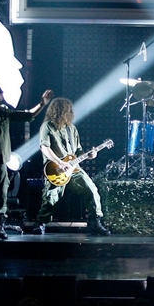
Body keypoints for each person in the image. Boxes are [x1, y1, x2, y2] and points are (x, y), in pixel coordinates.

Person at [0, 84, 53, 240]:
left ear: (2, 97)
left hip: (1, 159)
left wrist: (42, 103)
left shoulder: (5, 112)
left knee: (2, 193)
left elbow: (28, 115)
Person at [38, 97, 110, 236]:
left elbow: (78, 152)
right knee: (51, 196)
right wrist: (60, 162)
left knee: (91, 189)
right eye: (65, 110)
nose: (68, 113)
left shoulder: (72, 128)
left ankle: (95, 222)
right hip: (56, 168)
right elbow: (44, 147)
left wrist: (91, 155)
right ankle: (41, 223)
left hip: (74, 169)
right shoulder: (47, 126)